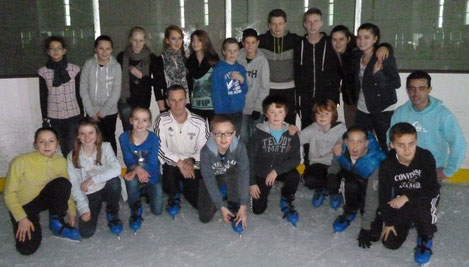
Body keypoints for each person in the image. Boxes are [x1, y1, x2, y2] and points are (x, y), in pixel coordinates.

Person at [4, 127, 80, 255]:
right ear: (35, 144)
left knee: (62, 183)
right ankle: (30, 219)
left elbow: (66, 189)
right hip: (24, 206)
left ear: (57, 144)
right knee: (26, 249)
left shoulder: (61, 162)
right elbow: (9, 194)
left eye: (51, 141)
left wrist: (71, 211)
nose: (46, 145)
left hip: (43, 199)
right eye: (41, 141)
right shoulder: (20, 161)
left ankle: (56, 221)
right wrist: (21, 218)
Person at [380, 122, 441, 265]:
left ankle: (425, 237)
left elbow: (432, 188)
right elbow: (384, 195)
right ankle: (410, 219)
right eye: (401, 145)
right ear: (392, 145)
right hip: (403, 200)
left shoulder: (425, 157)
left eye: (411, 144)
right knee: (390, 242)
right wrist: (388, 222)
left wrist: (407, 197)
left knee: (422, 210)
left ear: (416, 141)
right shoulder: (387, 165)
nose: (407, 150)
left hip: (426, 196)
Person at [390, 71, 467, 180]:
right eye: (412, 88)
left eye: (421, 88)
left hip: (432, 171)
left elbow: (459, 144)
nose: (416, 93)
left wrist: (448, 171)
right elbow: (391, 141)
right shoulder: (400, 113)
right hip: (405, 171)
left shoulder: (443, 115)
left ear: (429, 90)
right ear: (407, 90)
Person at [153, 85, 209, 218]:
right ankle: (174, 195)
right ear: (167, 102)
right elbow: (160, 148)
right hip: (171, 164)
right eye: (173, 100)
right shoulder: (161, 120)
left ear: (186, 100)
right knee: (170, 173)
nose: (177, 104)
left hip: (191, 165)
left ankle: (185, 186)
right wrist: (179, 162)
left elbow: (205, 149)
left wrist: (191, 160)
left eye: (180, 99)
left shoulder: (199, 122)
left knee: (199, 204)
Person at [248, 95, 301, 226]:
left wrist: (276, 171)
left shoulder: (291, 134)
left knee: (294, 174)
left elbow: (296, 159)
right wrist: (252, 183)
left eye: (280, 112)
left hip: (280, 171)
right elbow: (249, 159)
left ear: (285, 114)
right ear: (266, 114)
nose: (276, 116)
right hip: (262, 172)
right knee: (258, 210)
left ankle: (286, 198)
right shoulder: (258, 134)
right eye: (272, 112)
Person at [67, 119, 123, 238]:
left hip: (105, 186)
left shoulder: (106, 147)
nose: (87, 137)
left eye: (91, 133)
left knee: (115, 182)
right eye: (83, 133)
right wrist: (83, 208)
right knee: (86, 233)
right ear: (78, 136)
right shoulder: (72, 156)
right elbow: (74, 184)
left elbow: (117, 168)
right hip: (89, 194)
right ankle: (94, 207)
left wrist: (93, 179)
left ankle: (112, 211)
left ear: (97, 134)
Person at [327, 126, 385, 234]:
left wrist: (366, 226)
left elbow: (373, 194)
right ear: (346, 142)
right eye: (351, 141)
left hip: (372, 192)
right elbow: (335, 164)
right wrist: (331, 175)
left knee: (373, 234)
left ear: (366, 143)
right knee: (349, 183)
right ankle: (350, 210)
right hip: (353, 183)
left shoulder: (374, 163)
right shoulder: (340, 150)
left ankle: (366, 208)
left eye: (360, 142)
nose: (355, 146)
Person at [330, 25, 391, 128]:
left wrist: (385, 47)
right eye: (334, 40)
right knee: (353, 132)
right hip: (349, 100)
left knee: (364, 134)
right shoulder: (336, 53)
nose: (338, 43)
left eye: (341, 39)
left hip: (362, 100)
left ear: (348, 39)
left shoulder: (356, 52)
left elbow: (377, 49)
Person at [353, 23, 400, 152]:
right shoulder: (357, 56)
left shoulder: (383, 56)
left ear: (375, 39)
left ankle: (388, 171)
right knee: (362, 143)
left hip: (382, 108)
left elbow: (396, 83)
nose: (362, 41)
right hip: (363, 107)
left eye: (367, 37)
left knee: (386, 144)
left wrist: (378, 75)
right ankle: (367, 171)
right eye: (359, 37)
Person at [199, 115, 249, 231]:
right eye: (218, 133)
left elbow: (244, 175)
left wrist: (243, 206)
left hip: (232, 175)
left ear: (234, 133)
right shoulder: (205, 152)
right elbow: (209, 179)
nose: (223, 137)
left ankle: (232, 198)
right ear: (212, 134)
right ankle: (222, 192)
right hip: (215, 177)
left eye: (228, 133)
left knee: (233, 171)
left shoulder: (240, 147)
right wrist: (221, 206)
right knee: (205, 217)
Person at [294, 8, 340, 130]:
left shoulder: (331, 44)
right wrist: (298, 100)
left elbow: (350, 44)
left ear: (321, 23)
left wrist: (334, 98)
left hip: (326, 98)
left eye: (315, 21)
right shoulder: (299, 45)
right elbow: (297, 73)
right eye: (309, 22)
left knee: (327, 132)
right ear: (304, 24)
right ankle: (309, 151)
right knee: (308, 131)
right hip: (305, 99)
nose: (312, 25)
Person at [39, 36, 83, 157]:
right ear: (48, 51)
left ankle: (73, 173)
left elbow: (79, 93)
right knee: (58, 147)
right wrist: (45, 118)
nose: (55, 51)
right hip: (54, 115)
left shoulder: (74, 69)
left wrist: (81, 114)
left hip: (73, 114)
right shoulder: (43, 71)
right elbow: (43, 96)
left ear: (64, 50)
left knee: (72, 146)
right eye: (52, 48)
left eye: (59, 48)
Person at [120, 107, 162, 232]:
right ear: (130, 120)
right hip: (135, 172)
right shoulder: (124, 137)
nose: (140, 123)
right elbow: (128, 160)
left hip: (152, 174)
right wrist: (136, 170)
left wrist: (138, 170)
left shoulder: (154, 138)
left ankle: (147, 188)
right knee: (130, 179)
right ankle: (135, 208)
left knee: (157, 211)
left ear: (149, 122)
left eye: (144, 120)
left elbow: (153, 162)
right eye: (136, 119)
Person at [298, 100, 346, 208]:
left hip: (335, 164)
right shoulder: (313, 128)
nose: (322, 117)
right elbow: (297, 139)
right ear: (315, 116)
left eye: (326, 114)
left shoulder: (341, 128)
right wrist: (290, 132)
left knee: (335, 181)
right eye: (319, 113)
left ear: (333, 115)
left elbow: (347, 139)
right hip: (318, 163)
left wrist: (340, 144)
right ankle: (323, 188)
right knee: (309, 181)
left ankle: (335, 190)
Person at [80, 35, 122, 154]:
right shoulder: (88, 64)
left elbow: (116, 90)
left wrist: (103, 112)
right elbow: (83, 89)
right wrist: (91, 112)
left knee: (109, 140)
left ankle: (112, 170)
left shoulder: (116, 66)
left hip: (109, 112)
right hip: (91, 111)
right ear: (95, 49)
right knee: (92, 141)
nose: (104, 52)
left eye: (108, 49)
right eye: (101, 48)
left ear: (112, 50)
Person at [259, 9, 302, 125]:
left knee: (289, 123)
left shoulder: (296, 41)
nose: (277, 27)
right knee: (270, 123)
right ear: (269, 25)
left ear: (286, 24)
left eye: (280, 23)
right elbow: (242, 47)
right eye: (274, 24)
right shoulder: (261, 41)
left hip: (289, 89)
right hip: (269, 89)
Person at [117, 26, 159, 131]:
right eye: (135, 40)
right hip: (125, 101)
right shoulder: (121, 57)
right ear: (130, 40)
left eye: (141, 40)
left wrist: (142, 77)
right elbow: (116, 82)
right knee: (128, 133)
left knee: (140, 133)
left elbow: (157, 82)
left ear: (145, 41)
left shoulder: (152, 58)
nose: (137, 44)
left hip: (142, 101)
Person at [237, 28, 270, 145]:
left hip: (256, 107)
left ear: (257, 43)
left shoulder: (262, 61)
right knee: (243, 137)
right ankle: (245, 162)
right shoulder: (237, 58)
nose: (250, 46)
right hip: (240, 107)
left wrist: (258, 107)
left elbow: (265, 87)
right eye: (247, 42)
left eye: (253, 42)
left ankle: (256, 163)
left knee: (257, 139)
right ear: (243, 43)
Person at [211, 38, 248, 134]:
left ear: (238, 52)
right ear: (224, 52)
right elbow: (216, 93)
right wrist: (220, 113)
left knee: (236, 139)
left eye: (235, 50)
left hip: (238, 110)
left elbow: (245, 90)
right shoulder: (218, 69)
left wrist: (242, 80)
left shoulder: (241, 68)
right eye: (229, 51)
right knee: (224, 139)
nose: (232, 53)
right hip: (224, 112)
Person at [154, 25, 190, 112]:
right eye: (173, 39)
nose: (177, 42)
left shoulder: (185, 59)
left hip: (185, 102)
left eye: (180, 38)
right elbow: (157, 85)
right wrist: (162, 107)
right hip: (168, 103)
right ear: (167, 40)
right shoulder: (160, 59)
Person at [187, 29, 219, 121]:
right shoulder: (189, 61)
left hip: (213, 106)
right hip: (196, 106)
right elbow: (189, 85)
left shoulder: (213, 59)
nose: (195, 43)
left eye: (199, 40)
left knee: (214, 132)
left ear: (205, 42)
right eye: (193, 41)